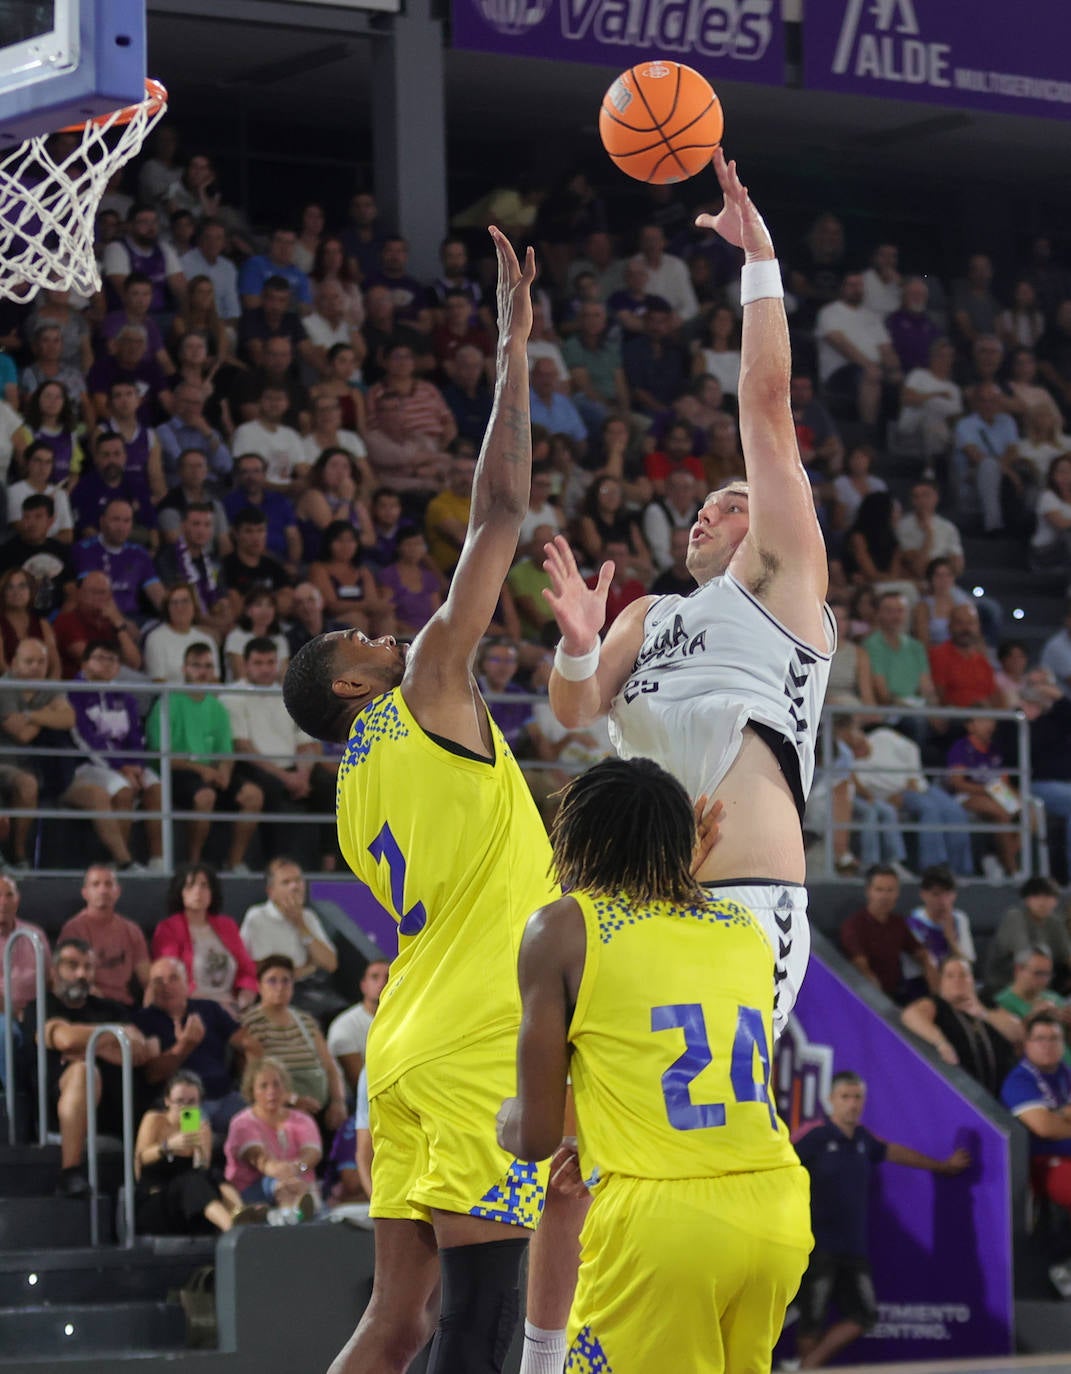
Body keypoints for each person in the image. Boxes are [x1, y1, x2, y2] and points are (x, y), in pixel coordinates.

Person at [281, 229, 558, 1374]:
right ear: (351, 683)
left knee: (395, 1324)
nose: (386, 629)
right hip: (471, 1040)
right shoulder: (430, 684)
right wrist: (511, 349)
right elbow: (499, 512)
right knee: (484, 1318)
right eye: (361, 633)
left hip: (404, 1043)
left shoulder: (353, 788)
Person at [498, 756, 810, 1373]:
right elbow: (663, 941)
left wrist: (503, 1117)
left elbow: (534, 1139)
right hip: (775, 1211)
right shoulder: (743, 928)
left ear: (582, 840)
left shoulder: (561, 929)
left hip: (663, 1226)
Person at [793, 1071, 969, 1368]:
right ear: (830, 1101)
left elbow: (895, 1152)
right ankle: (806, 1368)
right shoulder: (815, 1138)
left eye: (857, 1097)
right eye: (845, 1097)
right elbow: (783, 1170)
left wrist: (941, 1167)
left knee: (865, 1315)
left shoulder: (864, 1139)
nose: (852, 1104)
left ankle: (805, 1368)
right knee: (812, 1318)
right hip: (816, 1246)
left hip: (853, 1247)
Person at [25, 939, 160, 1196]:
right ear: (54, 972)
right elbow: (64, 1038)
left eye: (88, 967)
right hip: (65, 1111)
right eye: (72, 966)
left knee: (190, 1102)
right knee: (83, 1071)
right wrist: (113, 1037)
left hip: (124, 1107)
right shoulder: (41, 1006)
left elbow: (139, 1050)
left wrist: (83, 1044)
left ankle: (193, 1179)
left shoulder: (109, 1008)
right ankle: (70, 1173)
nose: (81, 974)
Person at [145, 641, 264, 870]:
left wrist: (225, 772)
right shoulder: (168, 702)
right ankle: (194, 864)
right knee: (205, 796)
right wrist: (204, 770)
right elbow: (163, 756)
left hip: (208, 773)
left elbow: (226, 752)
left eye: (208, 666)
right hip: (178, 772)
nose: (202, 672)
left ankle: (234, 863)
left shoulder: (217, 707)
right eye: (196, 666)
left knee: (253, 795)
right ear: (184, 669)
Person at [64, 641, 164, 871]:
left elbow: (136, 737)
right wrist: (120, 767)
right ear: (85, 663)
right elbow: (84, 738)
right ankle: (121, 861)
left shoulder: (125, 698)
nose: (107, 664)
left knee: (156, 787)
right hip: (89, 765)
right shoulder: (74, 693)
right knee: (122, 789)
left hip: (127, 765)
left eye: (112, 660)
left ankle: (158, 860)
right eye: (100, 658)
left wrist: (136, 766)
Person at [135, 956, 257, 1133]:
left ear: (188, 983)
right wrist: (185, 1045)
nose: (166, 986)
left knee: (262, 1125)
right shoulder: (143, 1020)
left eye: (173, 978)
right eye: (158, 981)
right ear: (150, 989)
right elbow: (152, 1075)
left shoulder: (208, 1009)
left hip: (226, 1097)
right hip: (184, 1105)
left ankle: (287, 1162)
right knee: (193, 1139)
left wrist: (251, 1082)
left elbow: (248, 1042)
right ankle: (197, 1158)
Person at [134, 1069, 260, 1234]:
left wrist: (200, 1148)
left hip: (189, 1205)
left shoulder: (199, 1127)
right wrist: (168, 1146)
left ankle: (242, 1213)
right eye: (179, 1101)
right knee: (189, 1181)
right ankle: (232, 1229)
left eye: (191, 1102)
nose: (185, 1107)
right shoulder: (155, 1119)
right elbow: (139, 1159)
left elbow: (202, 1169)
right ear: (167, 1101)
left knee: (212, 1174)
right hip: (157, 1201)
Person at [999, 1011, 1071, 1297]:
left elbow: (1056, 1123)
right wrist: (1060, 1118)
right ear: (1026, 1044)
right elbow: (1044, 1127)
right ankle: (1064, 1267)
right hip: (1041, 1163)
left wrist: (1062, 1116)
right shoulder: (1020, 1080)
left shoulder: (1065, 1072)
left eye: (1054, 1038)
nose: (1048, 1044)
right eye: (1040, 1038)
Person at [240, 955, 347, 1128]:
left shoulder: (305, 1020)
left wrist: (338, 1101)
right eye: (272, 981)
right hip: (282, 1099)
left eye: (286, 981)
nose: (280, 987)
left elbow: (330, 1066)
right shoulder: (250, 1022)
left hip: (320, 1097)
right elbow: (255, 1076)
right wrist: (292, 1100)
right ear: (259, 986)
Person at [239, 857, 342, 1018]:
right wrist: (308, 967)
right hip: (273, 991)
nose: (295, 887)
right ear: (271, 891)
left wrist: (300, 925)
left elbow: (330, 963)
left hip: (308, 988)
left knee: (338, 1010)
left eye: (298, 880)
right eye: (286, 882)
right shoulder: (257, 917)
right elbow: (263, 967)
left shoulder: (307, 917)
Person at [152, 863, 258, 1016]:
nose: (198, 892)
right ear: (180, 892)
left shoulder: (227, 925)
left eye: (204, 886)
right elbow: (170, 979)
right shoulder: (168, 929)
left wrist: (242, 1003)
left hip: (233, 1007)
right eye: (190, 886)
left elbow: (247, 971)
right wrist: (215, 1007)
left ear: (212, 892)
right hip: (191, 1008)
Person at [223, 1056, 321, 1221]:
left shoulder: (302, 1120)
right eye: (263, 1086)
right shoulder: (242, 1123)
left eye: (276, 1084)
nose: (271, 1091)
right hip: (256, 1188)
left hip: (299, 1183)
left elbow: (312, 1154)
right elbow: (260, 1159)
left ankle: (291, 1215)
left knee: (296, 1188)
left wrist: (297, 1168)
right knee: (278, 1184)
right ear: (252, 1090)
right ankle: (293, 1216)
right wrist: (285, 1175)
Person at [900, 956, 1019, 1089]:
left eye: (963, 975)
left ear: (972, 980)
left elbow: (1018, 1033)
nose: (957, 980)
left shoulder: (986, 1003)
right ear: (941, 981)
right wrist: (941, 1043)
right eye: (950, 976)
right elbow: (910, 1015)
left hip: (1002, 1089)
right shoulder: (937, 1004)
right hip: (965, 1092)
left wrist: (983, 1013)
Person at [840, 864, 937, 1004]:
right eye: (879, 890)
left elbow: (920, 952)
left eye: (890, 890)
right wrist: (879, 1000)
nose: (885, 896)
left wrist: (930, 967)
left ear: (897, 893)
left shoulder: (898, 922)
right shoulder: (854, 925)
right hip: (866, 996)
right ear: (869, 891)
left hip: (900, 992)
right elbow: (861, 966)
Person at [58, 864, 150, 1007]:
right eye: (96, 885)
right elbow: (65, 976)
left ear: (118, 891)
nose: (103, 890)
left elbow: (147, 979)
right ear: (85, 893)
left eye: (108, 884)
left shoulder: (132, 930)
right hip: (88, 1003)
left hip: (124, 1006)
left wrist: (151, 1003)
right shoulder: (73, 929)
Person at [985, 877, 1071, 995]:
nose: (1042, 902)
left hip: (1043, 980)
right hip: (1006, 983)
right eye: (1036, 897)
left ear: (1056, 901)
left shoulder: (1054, 922)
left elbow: (1067, 956)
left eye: (1048, 897)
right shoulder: (1015, 917)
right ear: (1026, 900)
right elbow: (1025, 958)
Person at [327, 959, 390, 1092]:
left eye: (388, 977)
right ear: (363, 986)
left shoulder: (408, 1018)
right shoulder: (344, 1026)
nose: (383, 983)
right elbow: (361, 1085)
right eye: (375, 977)